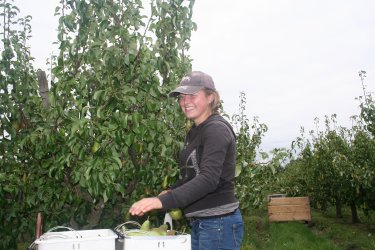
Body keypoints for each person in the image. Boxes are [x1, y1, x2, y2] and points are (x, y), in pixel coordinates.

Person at [129, 71, 244, 250]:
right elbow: (193, 175)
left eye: (192, 95)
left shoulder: (216, 130)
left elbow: (208, 179)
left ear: (210, 97)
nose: (185, 101)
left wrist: (163, 202)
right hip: (203, 222)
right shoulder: (195, 132)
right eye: (182, 97)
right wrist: (170, 191)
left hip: (218, 223)